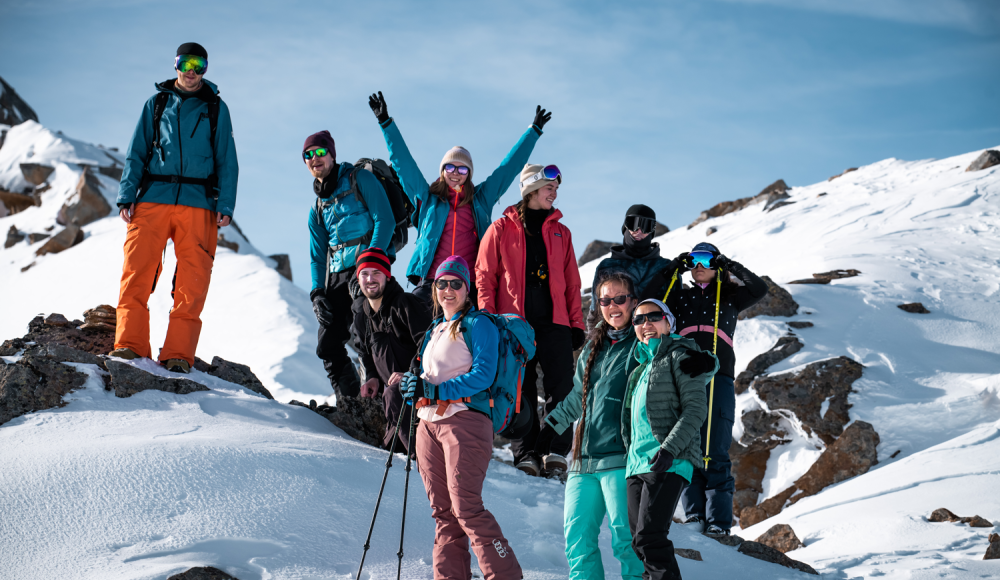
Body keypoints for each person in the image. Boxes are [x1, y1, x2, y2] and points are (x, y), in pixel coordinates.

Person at [111, 42, 238, 373]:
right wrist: (127, 193)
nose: (192, 72)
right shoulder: (156, 104)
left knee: (193, 281)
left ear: (206, 70)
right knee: (137, 271)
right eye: (187, 63)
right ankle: (129, 344)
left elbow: (227, 160)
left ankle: (178, 354)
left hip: (198, 204)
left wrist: (225, 203)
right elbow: (136, 151)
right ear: (176, 65)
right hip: (153, 197)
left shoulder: (216, 109)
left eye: (200, 65)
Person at [400, 255, 522, 580]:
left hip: (465, 422)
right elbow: (429, 375)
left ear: (467, 289)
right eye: (442, 283)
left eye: (456, 283)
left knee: (466, 507)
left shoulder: (478, 324)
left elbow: (484, 375)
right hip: (427, 424)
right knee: (443, 514)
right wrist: (413, 386)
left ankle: (506, 576)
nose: (448, 289)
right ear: (435, 288)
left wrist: (436, 391)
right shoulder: (434, 329)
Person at [368, 91, 550, 305]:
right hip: (432, 280)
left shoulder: (480, 199)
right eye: (450, 167)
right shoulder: (428, 199)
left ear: (469, 174)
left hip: (468, 283)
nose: (455, 172)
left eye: (462, 169)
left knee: (472, 332)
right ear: (443, 170)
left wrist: (533, 132)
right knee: (412, 320)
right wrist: (386, 123)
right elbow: (404, 164)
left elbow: (508, 169)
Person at [475, 163, 585, 476]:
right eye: (549, 188)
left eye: (556, 189)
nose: (554, 193)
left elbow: (572, 282)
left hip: (555, 323)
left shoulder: (562, 232)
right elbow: (485, 276)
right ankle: (526, 454)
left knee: (561, 389)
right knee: (518, 389)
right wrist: (488, 319)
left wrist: (576, 323)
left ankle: (554, 453)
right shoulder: (500, 229)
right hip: (513, 325)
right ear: (531, 190)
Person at [534, 271, 644, 579]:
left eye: (620, 299)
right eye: (605, 300)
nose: (613, 306)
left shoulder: (642, 343)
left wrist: (701, 361)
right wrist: (551, 426)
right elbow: (577, 398)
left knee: (628, 543)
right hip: (583, 462)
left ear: (633, 302)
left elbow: (673, 357)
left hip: (622, 459)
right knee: (578, 541)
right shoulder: (595, 347)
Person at [655, 242, 767, 536]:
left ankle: (718, 521)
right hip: (686, 375)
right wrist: (673, 270)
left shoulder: (730, 296)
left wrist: (730, 265)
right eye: (693, 260)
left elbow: (759, 289)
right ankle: (694, 515)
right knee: (688, 443)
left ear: (716, 264)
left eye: (706, 259)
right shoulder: (681, 296)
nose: (699, 265)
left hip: (720, 376)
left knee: (715, 447)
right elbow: (654, 300)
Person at [623, 299, 717, 580]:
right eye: (639, 320)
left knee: (650, 538)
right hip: (637, 464)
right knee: (640, 543)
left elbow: (696, 409)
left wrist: (668, 449)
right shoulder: (640, 369)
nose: (645, 324)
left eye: (653, 317)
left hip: (668, 459)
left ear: (668, 323)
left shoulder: (680, 355)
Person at [305, 130, 396, 398]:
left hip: (367, 267)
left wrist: (371, 263)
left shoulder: (360, 179)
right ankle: (351, 404)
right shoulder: (317, 209)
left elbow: (385, 220)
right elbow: (317, 255)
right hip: (336, 276)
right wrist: (317, 293)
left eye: (320, 152)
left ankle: (379, 400)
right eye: (308, 155)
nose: (314, 158)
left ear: (332, 154)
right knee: (327, 344)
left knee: (365, 333)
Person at [351, 247, 431, 452]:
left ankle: (422, 460)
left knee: (395, 395)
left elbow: (429, 341)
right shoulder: (362, 317)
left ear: (387, 276)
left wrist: (411, 373)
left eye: (376, 272)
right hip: (393, 399)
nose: (370, 279)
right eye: (364, 274)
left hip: (421, 387)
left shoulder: (405, 304)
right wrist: (372, 377)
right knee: (389, 451)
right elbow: (364, 352)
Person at [588, 205, 668, 328]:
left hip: (652, 338)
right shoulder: (607, 266)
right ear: (624, 227)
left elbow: (674, 310)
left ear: (652, 231)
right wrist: (595, 342)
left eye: (646, 226)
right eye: (633, 224)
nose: (639, 231)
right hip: (615, 338)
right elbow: (596, 311)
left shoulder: (666, 267)